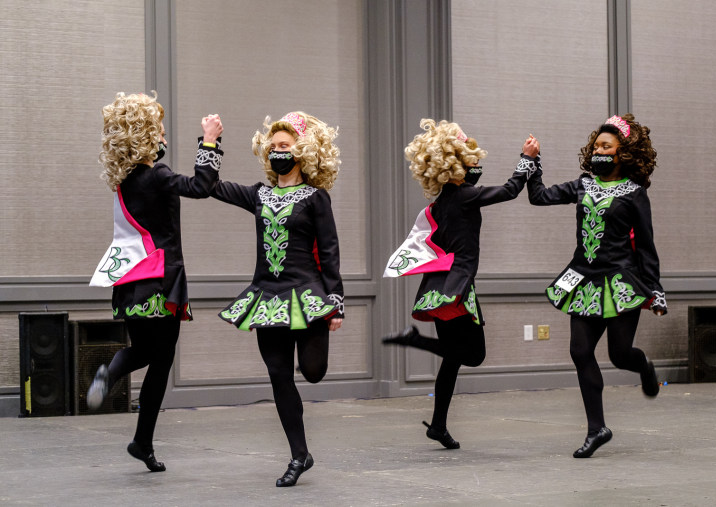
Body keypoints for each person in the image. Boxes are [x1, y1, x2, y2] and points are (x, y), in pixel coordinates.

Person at [382, 119, 540, 449]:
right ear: (454, 163)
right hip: (456, 287)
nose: (475, 164)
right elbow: (511, 190)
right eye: (470, 159)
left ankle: (438, 425)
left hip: (439, 286)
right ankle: (417, 342)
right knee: (475, 355)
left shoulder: (439, 204)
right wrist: (527, 159)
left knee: (453, 358)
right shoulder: (466, 195)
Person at [87, 92, 224, 472]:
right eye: (160, 129)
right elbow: (201, 186)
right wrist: (210, 140)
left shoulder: (125, 182)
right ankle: (131, 415)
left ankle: (139, 437)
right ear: (147, 135)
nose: (164, 135)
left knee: (149, 354)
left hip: (131, 280)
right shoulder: (158, 176)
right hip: (161, 281)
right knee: (159, 359)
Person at [211, 112, 344, 487]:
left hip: (308, 296)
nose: (277, 153)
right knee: (279, 376)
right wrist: (210, 143)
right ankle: (299, 454)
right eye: (273, 148)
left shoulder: (317, 198)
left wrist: (336, 301)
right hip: (267, 298)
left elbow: (330, 250)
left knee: (314, 373)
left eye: (284, 147)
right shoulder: (258, 194)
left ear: (301, 153)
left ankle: (301, 450)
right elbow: (213, 186)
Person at [526, 114, 667, 458]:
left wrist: (655, 290)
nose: (598, 150)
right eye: (596, 146)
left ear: (624, 153)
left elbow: (647, 246)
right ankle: (596, 428)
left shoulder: (634, 194)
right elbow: (539, 197)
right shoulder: (582, 185)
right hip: (583, 281)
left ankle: (643, 366)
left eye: (607, 146)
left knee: (620, 356)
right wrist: (531, 162)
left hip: (620, 283)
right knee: (579, 352)